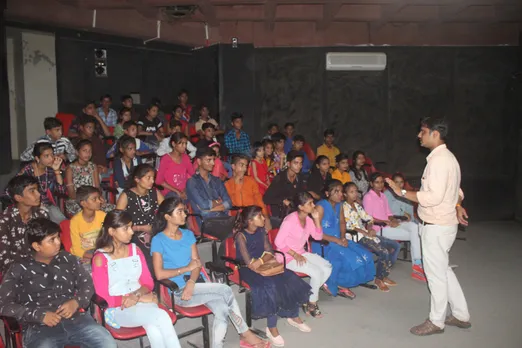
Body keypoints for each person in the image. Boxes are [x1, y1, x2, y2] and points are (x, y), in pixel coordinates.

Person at [385, 117, 471, 336]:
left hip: (436, 226)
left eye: (422, 131)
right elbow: (456, 190)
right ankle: (461, 315)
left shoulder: (439, 161)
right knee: (444, 271)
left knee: (435, 275)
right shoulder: (448, 158)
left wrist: (401, 192)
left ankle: (436, 321)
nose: (419, 135)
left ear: (435, 134)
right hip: (443, 223)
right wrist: (458, 204)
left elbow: (432, 197)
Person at [151, 198, 269, 348]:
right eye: (179, 212)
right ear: (167, 216)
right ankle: (245, 333)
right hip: (178, 291)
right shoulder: (158, 240)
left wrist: (191, 282)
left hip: (195, 284)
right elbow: (160, 275)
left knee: (222, 308)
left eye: (184, 211)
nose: (185, 215)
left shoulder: (187, 235)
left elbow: (197, 264)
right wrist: (186, 270)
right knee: (225, 289)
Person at [0, 218, 117, 348]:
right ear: (36, 246)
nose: (58, 242)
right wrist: (38, 315)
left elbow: (87, 284)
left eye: (57, 237)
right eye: (52, 240)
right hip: (39, 328)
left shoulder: (68, 259)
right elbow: (4, 304)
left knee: (108, 343)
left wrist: (76, 301)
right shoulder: (19, 268)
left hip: (76, 320)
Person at [92, 210, 180, 348]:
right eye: (125, 228)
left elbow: (148, 282)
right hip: (119, 309)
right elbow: (104, 297)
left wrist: (137, 295)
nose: (131, 232)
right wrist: (137, 298)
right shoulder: (100, 258)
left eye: (131, 227)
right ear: (111, 231)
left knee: (154, 329)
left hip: (142, 300)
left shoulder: (135, 250)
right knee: (161, 317)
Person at [234, 206, 312, 347]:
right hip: (247, 270)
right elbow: (249, 263)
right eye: (260, 216)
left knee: (290, 277)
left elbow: (270, 251)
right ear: (250, 221)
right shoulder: (241, 236)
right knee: (271, 285)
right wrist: (261, 260)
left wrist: (261, 260)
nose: (264, 218)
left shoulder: (261, 231)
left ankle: (293, 316)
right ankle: (271, 327)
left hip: (265, 265)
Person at [314, 180, 375, 299]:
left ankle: (345, 282)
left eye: (341, 191)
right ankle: (335, 284)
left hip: (338, 239)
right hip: (323, 243)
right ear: (327, 193)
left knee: (364, 254)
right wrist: (336, 240)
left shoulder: (339, 205)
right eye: (336, 191)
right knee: (349, 260)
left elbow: (342, 222)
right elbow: (317, 233)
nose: (340, 194)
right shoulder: (320, 207)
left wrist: (342, 237)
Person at [274, 192, 332, 318]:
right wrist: (294, 254)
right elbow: (278, 242)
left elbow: (318, 236)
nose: (313, 205)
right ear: (301, 207)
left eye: (313, 202)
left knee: (327, 267)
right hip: (286, 256)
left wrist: (317, 219)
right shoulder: (290, 220)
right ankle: (312, 303)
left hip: (301, 253)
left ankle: (307, 297)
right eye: (310, 203)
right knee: (316, 272)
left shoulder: (309, 220)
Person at [363, 172, 424, 281]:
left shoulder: (382, 196)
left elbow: (389, 213)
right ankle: (417, 265)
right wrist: (386, 222)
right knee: (415, 235)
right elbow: (369, 218)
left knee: (414, 228)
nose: (380, 184)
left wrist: (393, 220)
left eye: (381, 182)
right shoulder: (368, 197)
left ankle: (417, 263)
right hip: (379, 229)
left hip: (388, 225)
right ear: (371, 184)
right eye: (376, 182)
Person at [343, 182, 400, 292]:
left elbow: (369, 219)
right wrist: (364, 232)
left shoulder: (357, 206)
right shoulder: (343, 207)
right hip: (355, 236)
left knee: (395, 245)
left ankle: (383, 274)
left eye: (355, 191)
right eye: (351, 192)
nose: (355, 194)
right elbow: (348, 226)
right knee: (384, 251)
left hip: (365, 234)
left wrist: (369, 228)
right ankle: (379, 279)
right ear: (345, 194)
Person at [116, 164, 165, 273]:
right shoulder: (126, 195)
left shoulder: (154, 192)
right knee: (149, 258)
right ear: (137, 179)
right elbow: (117, 223)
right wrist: (140, 228)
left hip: (154, 230)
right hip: (133, 232)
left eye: (153, 178)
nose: (152, 181)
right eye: (148, 178)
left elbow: (167, 210)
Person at [0, 175, 48, 274]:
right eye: (32, 191)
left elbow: (47, 245)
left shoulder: (41, 215)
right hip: (16, 272)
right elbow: (4, 258)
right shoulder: (4, 221)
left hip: (40, 266)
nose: (39, 194)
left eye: (37, 190)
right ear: (18, 197)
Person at [18, 142, 67, 224]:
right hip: (31, 206)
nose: (51, 158)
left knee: (64, 224)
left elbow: (61, 191)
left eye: (52, 154)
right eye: (46, 156)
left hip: (48, 206)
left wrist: (57, 170)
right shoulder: (28, 171)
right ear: (37, 158)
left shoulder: (50, 170)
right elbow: (14, 191)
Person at [65, 139, 115, 215]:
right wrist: (87, 201)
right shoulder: (70, 168)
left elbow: (97, 187)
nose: (88, 154)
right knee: (90, 211)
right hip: (77, 201)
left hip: (93, 199)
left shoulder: (93, 166)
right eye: (84, 150)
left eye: (90, 151)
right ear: (77, 152)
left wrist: (99, 198)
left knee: (113, 209)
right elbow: (71, 193)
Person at [225, 155, 271, 230]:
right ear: (233, 166)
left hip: (253, 214)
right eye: (241, 165)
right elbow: (238, 203)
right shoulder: (227, 184)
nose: (244, 169)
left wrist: (266, 217)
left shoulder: (251, 181)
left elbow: (259, 200)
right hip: (238, 217)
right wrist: (237, 182)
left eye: (245, 166)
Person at [186, 148, 232, 220]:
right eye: (209, 160)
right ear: (199, 161)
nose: (213, 163)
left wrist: (210, 209)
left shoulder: (217, 180)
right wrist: (219, 202)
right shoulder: (192, 182)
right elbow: (204, 205)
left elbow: (229, 202)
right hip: (205, 221)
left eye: (213, 159)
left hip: (222, 217)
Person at [70, 186, 106, 270]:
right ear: (83, 203)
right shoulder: (75, 221)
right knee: (87, 271)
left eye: (99, 198)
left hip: (99, 250)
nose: (99, 201)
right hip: (83, 254)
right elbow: (77, 249)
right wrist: (93, 256)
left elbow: (107, 238)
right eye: (94, 199)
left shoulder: (103, 216)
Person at [263, 151, 306, 219]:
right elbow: (266, 199)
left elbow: (302, 193)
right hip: (279, 214)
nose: (299, 166)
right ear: (288, 164)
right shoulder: (280, 179)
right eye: (296, 163)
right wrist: (282, 200)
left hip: (294, 209)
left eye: (300, 163)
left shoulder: (299, 177)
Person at [156, 132, 195, 199]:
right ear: (174, 144)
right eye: (182, 143)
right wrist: (177, 191)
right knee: (178, 199)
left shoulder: (186, 157)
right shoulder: (166, 159)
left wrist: (185, 190)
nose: (185, 146)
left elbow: (193, 174)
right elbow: (159, 181)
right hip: (170, 192)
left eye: (185, 143)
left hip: (184, 190)